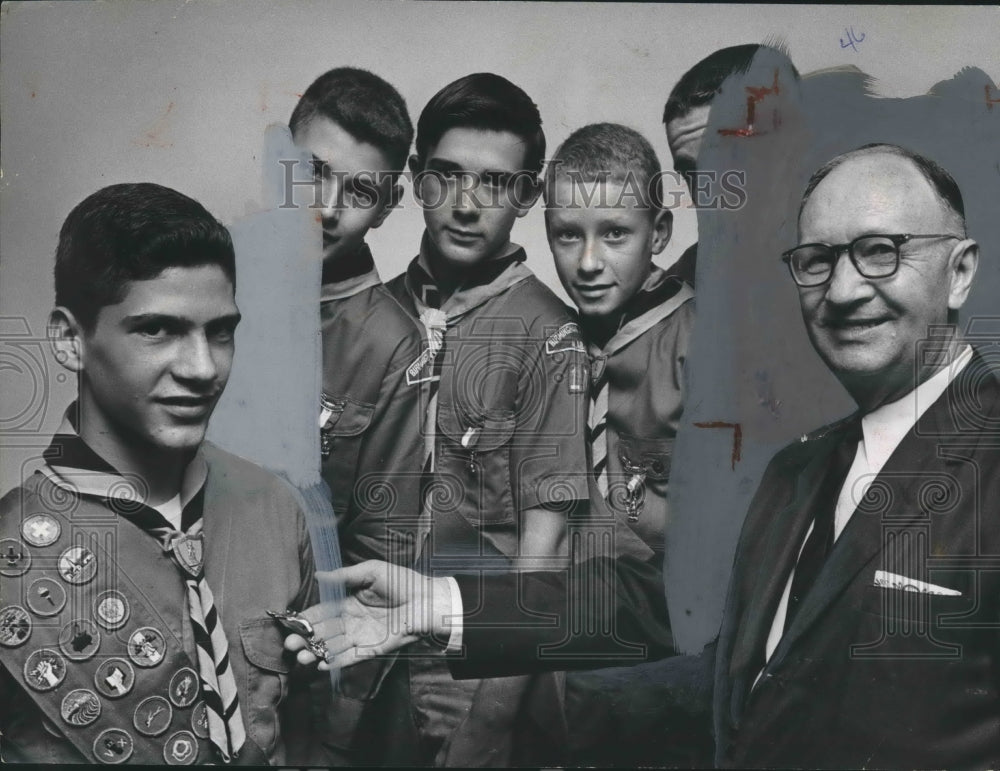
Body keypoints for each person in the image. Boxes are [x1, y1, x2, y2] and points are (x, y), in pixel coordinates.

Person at [291, 143, 1000, 769]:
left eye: (882, 251)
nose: (844, 290)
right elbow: (706, 650)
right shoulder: (799, 471)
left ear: (961, 271)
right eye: (817, 261)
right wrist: (441, 607)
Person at [0, 183, 334, 765]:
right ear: (69, 338)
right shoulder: (10, 548)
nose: (203, 368)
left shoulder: (275, 506)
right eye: (158, 330)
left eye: (220, 331)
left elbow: (306, 732)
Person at [376, 71, 592, 766]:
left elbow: (543, 554)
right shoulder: (364, 316)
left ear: (528, 193)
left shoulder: (550, 335)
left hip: (469, 663)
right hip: (355, 652)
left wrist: (492, 720)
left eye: (496, 184)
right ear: (415, 177)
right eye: (447, 176)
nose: (466, 205)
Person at [544, 123, 699, 764]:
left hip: (660, 654)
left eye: (615, 233)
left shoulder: (703, 345)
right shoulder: (553, 342)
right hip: (556, 636)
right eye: (567, 235)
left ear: (658, 233)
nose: (587, 262)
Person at [288, 67, 424, 570]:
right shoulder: (201, 277)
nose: (327, 207)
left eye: (361, 192)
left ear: (387, 208)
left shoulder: (391, 345)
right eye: (313, 171)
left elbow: (379, 548)